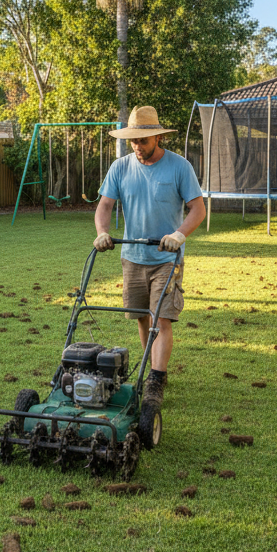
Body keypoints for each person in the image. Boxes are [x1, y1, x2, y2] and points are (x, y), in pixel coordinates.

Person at [92, 106, 205, 418]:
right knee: (142, 318)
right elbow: (104, 206)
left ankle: (156, 379)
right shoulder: (120, 168)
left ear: (157, 136)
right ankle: (148, 366)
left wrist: (180, 234)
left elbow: (198, 209)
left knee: (161, 319)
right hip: (132, 256)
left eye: (143, 140)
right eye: (133, 141)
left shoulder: (179, 167)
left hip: (166, 257)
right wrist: (103, 233)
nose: (137, 146)